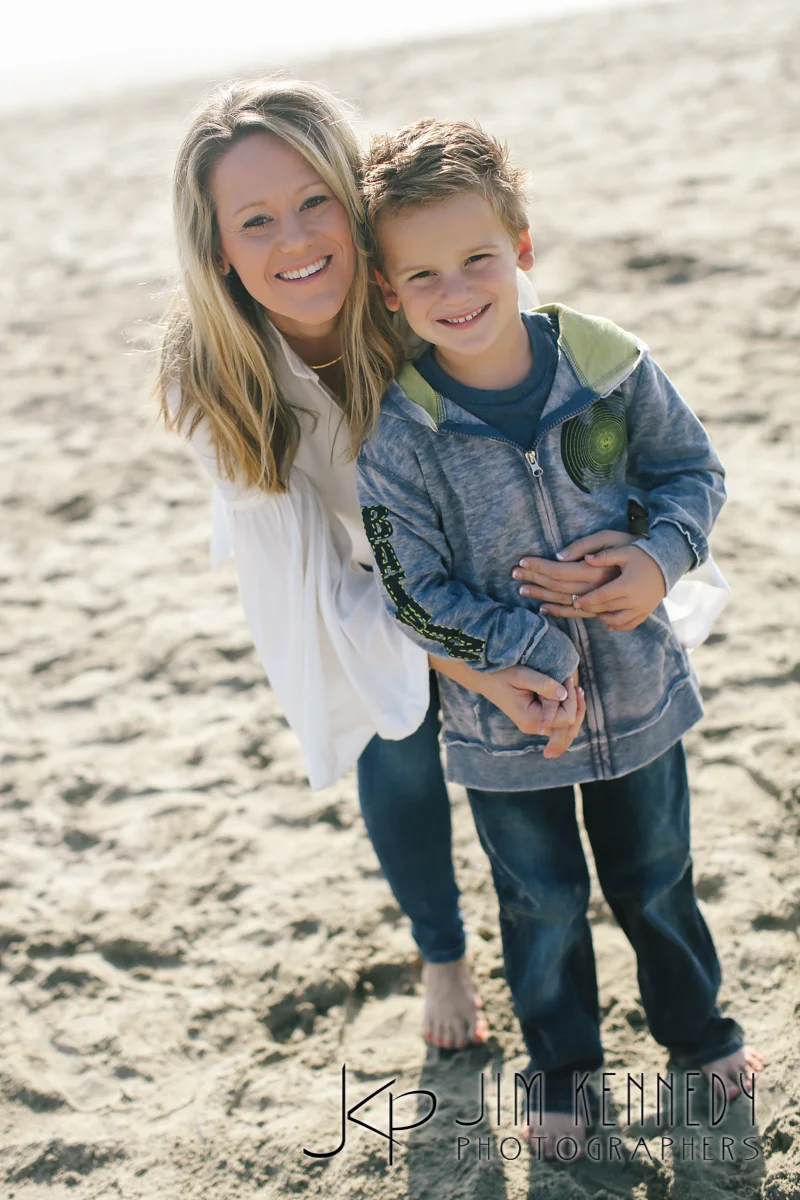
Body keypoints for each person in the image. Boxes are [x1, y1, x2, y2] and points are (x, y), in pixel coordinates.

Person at [156, 76, 596, 1055]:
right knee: (388, 733)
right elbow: (316, 589)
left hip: (477, 532)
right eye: (255, 221)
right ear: (219, 249)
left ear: (353, 202)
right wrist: (456, 661)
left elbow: (545, 430)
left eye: (316, 201)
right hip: (333, 564)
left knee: (532, 700)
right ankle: (441, 951)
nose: (295, 240)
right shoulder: (213, 381)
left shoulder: (430, 288)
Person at [356, 117, 764, 1155]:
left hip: (639, 688)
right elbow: (410, 589)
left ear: (522, 247)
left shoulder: (607, 365)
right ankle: (563, 1073)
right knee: (539, 900)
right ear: (388, 291)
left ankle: (699, 1034)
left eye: (478, 258)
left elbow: (691, 473)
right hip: (506, 727)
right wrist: (527, 653)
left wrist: (657, 559)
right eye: (423, 275)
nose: (456, 291)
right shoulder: (401, 434)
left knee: (657, 876)